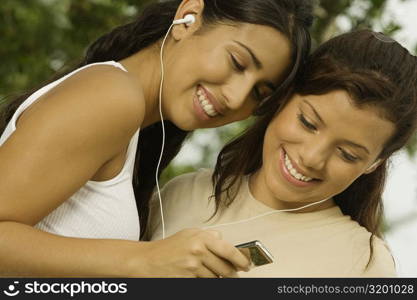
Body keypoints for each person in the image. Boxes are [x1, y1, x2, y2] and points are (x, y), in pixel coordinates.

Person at [0, 0, 314, 277]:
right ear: (189, 16)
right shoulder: (113, 95)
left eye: (258, 94)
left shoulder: (135, 129)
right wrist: (143, 260)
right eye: (237, 62)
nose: (236, 98)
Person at [146, 30, 417, 277]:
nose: (312, 158)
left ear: (375, 162)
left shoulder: (363, 264)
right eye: (308, 123)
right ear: (283, 99)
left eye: (347, 154)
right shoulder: (183, 193)